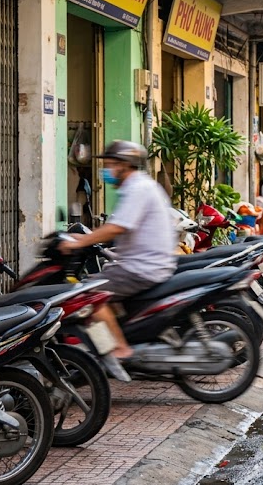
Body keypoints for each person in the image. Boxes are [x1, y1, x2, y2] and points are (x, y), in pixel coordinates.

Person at [59, 140, 178, 382]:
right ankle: (119, 337)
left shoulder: (137, 189)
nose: (107, 170)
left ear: (125, 166)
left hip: (141, 268)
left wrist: (79, 242)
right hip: (148, 263)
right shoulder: (141, 186)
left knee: (87, 293)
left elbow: (117, 227)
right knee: (104, 290)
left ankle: (120, 349)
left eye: (111, 164)